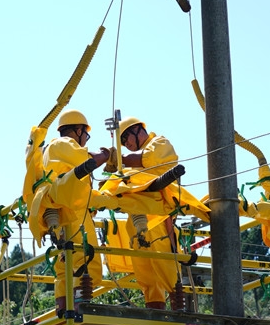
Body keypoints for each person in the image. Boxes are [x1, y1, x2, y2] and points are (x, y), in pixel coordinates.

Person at [29, 109, 110, 313]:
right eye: (85, 134)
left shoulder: (50, 150)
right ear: (77, 130)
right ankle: (81, 306)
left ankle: (63, 308)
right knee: (86, 257)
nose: (85, 139)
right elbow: (86, 160)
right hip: (71, 209)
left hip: (59, 211)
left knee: (64, 261)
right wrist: (107, 155)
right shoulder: (62, 143)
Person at [117, 117, 182, 310]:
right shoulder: (130, 164)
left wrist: (119, 159)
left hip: (161, 216)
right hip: (138, 218)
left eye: (126, 138)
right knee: (145, 269)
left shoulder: (159, 143)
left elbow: (148, 159)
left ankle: (180, 308)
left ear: (137, 130)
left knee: (165, 263)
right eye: (122, 142)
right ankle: (155, 309)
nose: (126, 144)